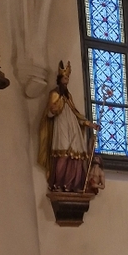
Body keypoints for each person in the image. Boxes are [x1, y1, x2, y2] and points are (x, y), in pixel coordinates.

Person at [38, 61, 100, 193]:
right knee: (62, 154)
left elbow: (76, 114)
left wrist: (91, 124)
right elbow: (49, 113)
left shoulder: (68, 95)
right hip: (61, 126)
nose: (66, 80)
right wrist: (55, 106)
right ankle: (58, 183)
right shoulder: (54, 94)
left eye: (67, 78)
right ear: (59, 79)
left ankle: (72, 184)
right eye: (65, 78)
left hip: (73, 127)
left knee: (75, 155)